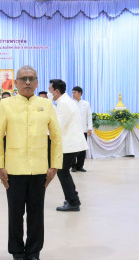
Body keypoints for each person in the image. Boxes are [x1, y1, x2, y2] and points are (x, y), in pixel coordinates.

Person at [0, 66, 63, 260]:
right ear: (15, 83)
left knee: (36, 213)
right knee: (15, 213)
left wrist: (54, 165)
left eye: (31, 79)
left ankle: (33, 254)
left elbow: (56, 137)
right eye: (23, 79)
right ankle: (17, 254)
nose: (27, 82)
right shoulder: (5, 105)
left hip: (39, 169)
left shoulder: (46, 104)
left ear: (37, 82)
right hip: (13, 169)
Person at [49, 79, 88, 211]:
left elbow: (58, 126)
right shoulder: (64, 101)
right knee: (63, 171)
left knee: (62, 171)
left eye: (50, 90)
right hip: (71, 143)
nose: (49, 93)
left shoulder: (64, 104)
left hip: (70, 144)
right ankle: (73, 199)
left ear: (56, 91)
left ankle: (73, 202)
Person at [71, 86, 92, 172]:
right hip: (73, 130)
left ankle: (80, 166)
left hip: (83, 129)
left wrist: (90, 128)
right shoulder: (71, 103)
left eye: (74, 92)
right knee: (73, 149)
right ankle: (73, 166)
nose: (73, 94)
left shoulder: (86, 103)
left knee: (82, 149)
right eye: (72, 92)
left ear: (80, 93)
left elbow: (89, 116)